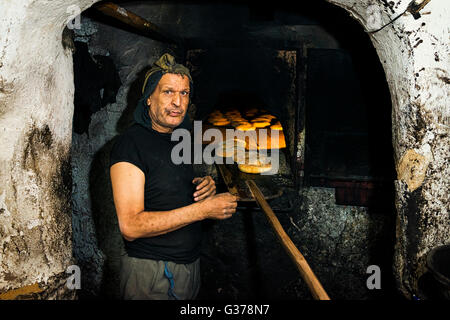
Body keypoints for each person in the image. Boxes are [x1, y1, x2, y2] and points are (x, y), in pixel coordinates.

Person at [109, 53, 238, 300]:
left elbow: (169, 188)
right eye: (168, 92)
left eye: (184, 93)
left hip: (188, 267)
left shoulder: (181, 137)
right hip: (151, 273)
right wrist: (204, 210)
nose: (178, 102)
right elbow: (130, 226)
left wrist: (205, 187)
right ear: (148, 98)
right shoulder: (129, 145)